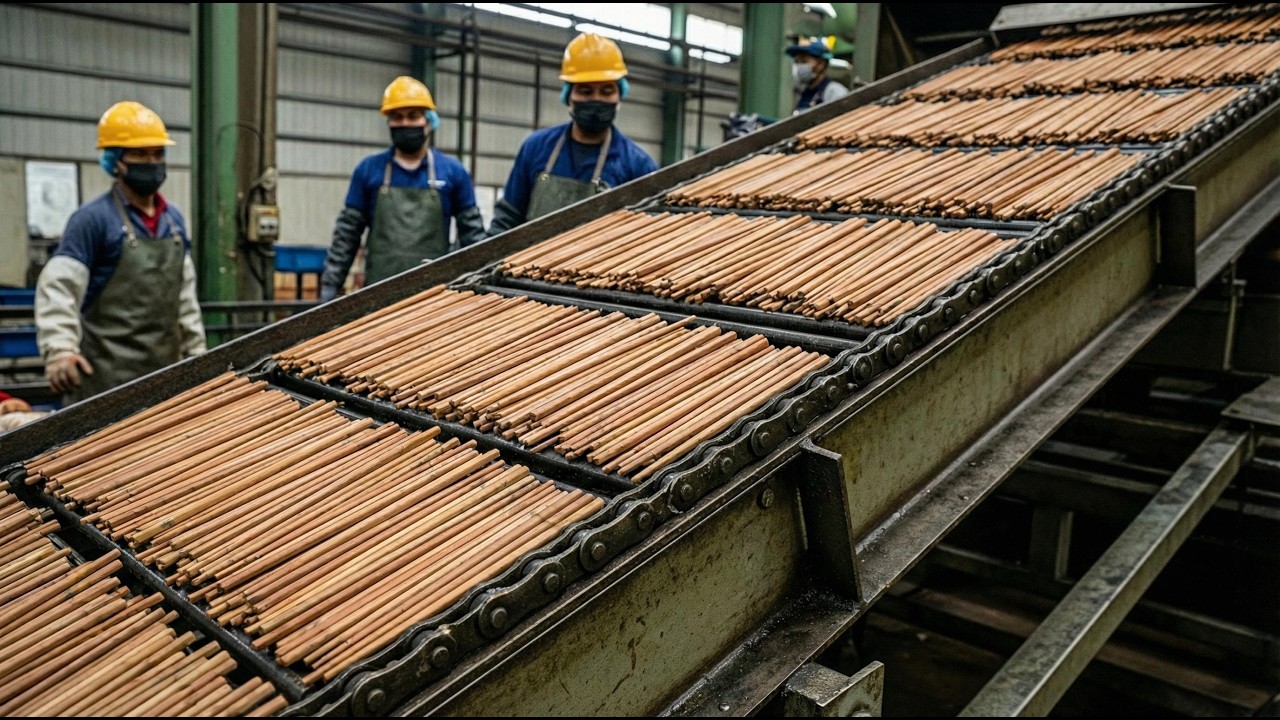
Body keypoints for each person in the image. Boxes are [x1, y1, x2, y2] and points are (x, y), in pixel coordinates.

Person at [35, 101, 206, 405]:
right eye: (140, 154)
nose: (152, 162)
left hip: (164, 381)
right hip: (103, 385)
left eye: (157, 153)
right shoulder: (92, 221)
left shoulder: (174, 221)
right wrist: (60, 349)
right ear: (116, 161)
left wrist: (198, 357)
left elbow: (185, 299)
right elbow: (58, 288)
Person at [321, 76, 485, 301]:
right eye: (397, 117)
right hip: (377, 296)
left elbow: (473, 236)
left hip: (434, 298)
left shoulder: (453, 172)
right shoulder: (368, 170)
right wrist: (330, 285)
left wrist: (480, 283)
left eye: (413, 116)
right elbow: (347, 235)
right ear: (388, 122)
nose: (405, 124)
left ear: (429, 121)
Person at [484, 32, 659, 239]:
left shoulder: (637, 166)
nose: (596, 100)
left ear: (619, 96)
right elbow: (507, 220)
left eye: (606, 92)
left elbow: (649, 236)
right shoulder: (536, 147)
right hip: (531, 260)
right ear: (568, 96)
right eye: (585, 91)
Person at [786, 37, 849, 113]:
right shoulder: (801, 93)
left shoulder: (835, 92)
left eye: (804, 61)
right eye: (796, 61)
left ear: (821, 64)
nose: (799, 66)